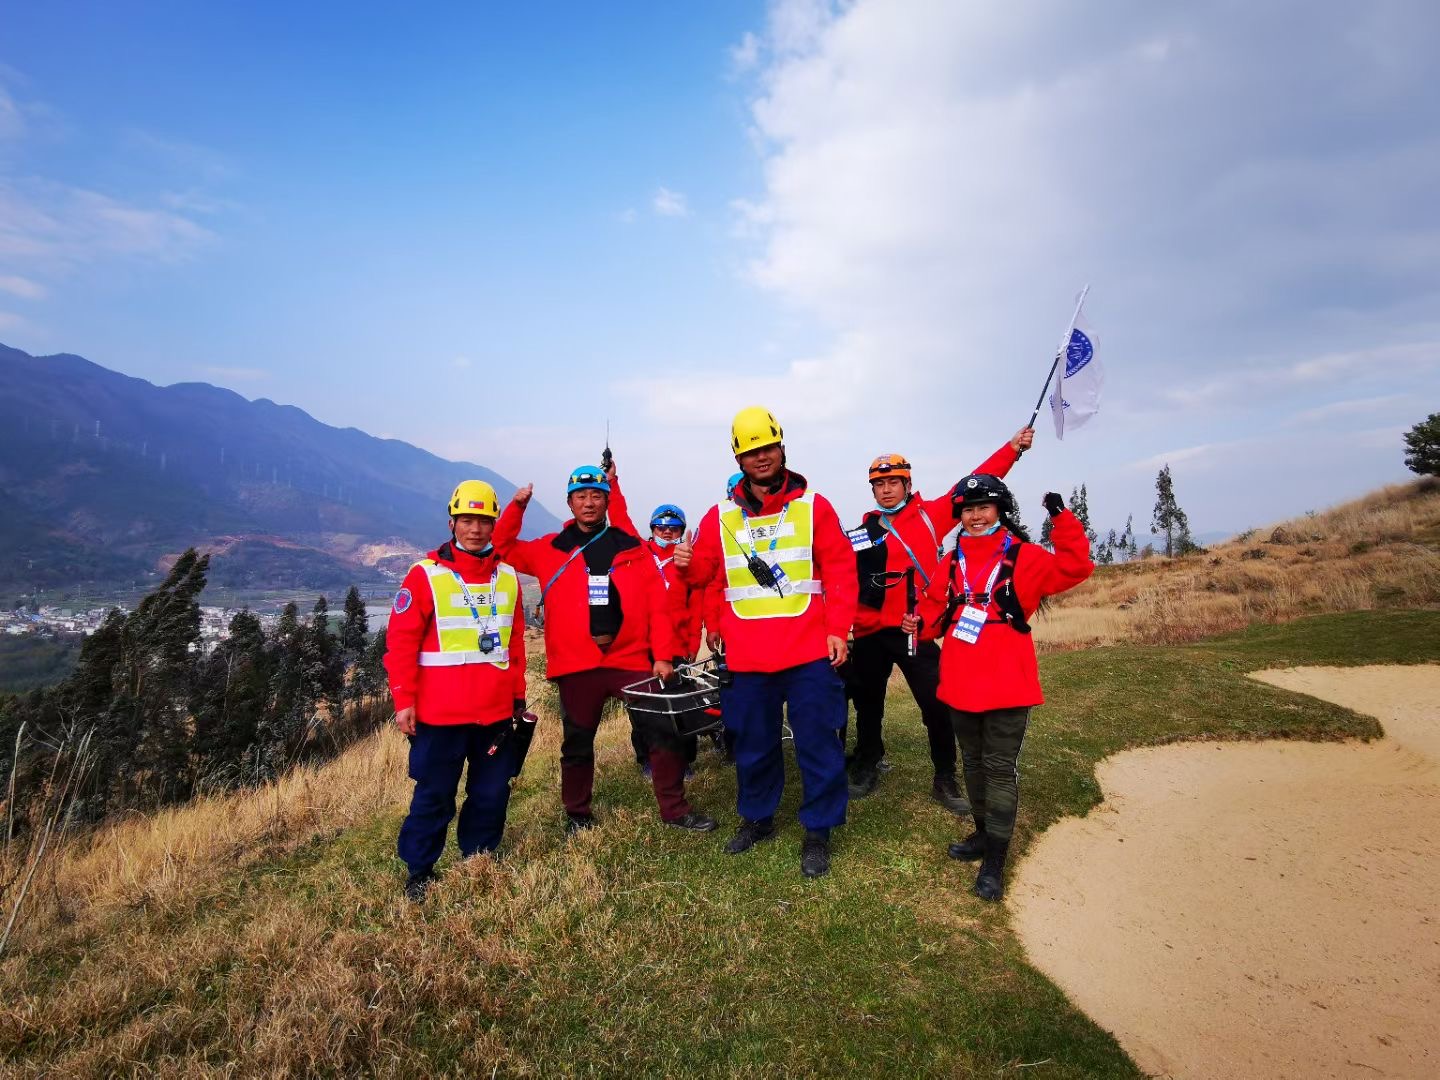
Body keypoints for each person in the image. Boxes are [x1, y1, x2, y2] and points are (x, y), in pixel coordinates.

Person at [674, 407, 857, 878]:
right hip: (748, 657)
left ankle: (818, 828)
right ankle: (758, 819)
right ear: (738, 457)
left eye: (768, 448)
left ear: (782, 448)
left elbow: (839, 569)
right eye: (751, 451)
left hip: (809, 652)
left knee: (818, 741)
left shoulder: (815, 507)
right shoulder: (719, 516)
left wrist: (838, 628)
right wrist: (684, 562)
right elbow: (705, 575)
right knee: (753, 743)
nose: (761, 458)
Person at [494, 465, 716, 834]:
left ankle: (675, 810)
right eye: (580, 496)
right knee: (577, 743)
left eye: (596, 495)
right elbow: (501, 547)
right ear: (569, 502)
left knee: (661, 731)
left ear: (606, 501)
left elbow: (658, 608)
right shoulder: (550, 549)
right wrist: (517, 507)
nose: (589, 502)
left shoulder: (631, 547)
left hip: (630, 659)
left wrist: (662, 656)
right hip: (576, 663)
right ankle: (577, 816)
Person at [909, 476, 1093, 901]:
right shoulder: (952, 561)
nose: (975, 517)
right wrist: (919, 623)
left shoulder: (1025, 557)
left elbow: (1075, 567)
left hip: (1008, 682)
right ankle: (980, 832)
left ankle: (995, 858)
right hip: (959, 680)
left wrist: (1061, 519)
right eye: (968, 510)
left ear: (1000, 511)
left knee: (997, 768)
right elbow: (935, 613)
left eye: (984, 507)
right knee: (972, 764)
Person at [845, 428, 1034, 808]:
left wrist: (1012, 449)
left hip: (915, 628)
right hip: (869, 631)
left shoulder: (932, 515)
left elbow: (976, 481)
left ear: (908, 483)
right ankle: (868, 760)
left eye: (893, 482)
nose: (886, 490)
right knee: (867, 703)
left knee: (936, 704)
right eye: (879, 484)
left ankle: (944, 777)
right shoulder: (863, 530)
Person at [385, 480, 529, 901]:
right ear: (452, 522)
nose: (476, 529)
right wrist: (403, 701)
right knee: (434, 796)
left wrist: (518, 698)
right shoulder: (424, 575)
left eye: (484, 521)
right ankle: (420, 871)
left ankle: (478, 859)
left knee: (490, 793)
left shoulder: (508, 578)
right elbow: (401, 644)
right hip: (439, 715)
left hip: (496, 714)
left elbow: (515, 643)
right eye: (467, 520)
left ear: (494, 523)